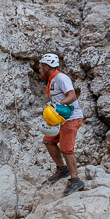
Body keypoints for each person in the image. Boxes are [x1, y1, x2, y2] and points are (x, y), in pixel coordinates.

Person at [38, 53, 85, 195]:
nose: (39, 70)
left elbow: (72, 96)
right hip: (61, 119)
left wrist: (57, 106)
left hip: (71, 118)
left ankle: (76, 180)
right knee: (48, 141)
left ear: (47, 67)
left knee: (66, 149)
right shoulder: (51, 80)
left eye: (40, 67)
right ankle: (61, 169)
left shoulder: (61, 78)